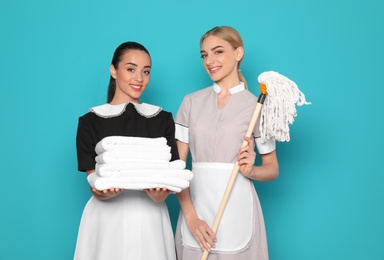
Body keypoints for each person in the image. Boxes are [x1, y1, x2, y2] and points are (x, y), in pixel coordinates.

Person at [174, 26, 279, 259]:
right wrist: (192, 219)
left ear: (238, 53)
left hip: (237, 210)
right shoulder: (190, 103)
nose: (209, 61)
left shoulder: (257, 107)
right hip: (196, 208)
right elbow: (177, 168)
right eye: (204, 55)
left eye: (218, 51)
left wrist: (251, 170)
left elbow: (272, 168)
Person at [74, 41, 179, 260]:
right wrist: (100, 192)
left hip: (151, 216)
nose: (139, 78)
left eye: (146, 71)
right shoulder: (90, 121)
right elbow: (93, 178)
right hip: (105, 219)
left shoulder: (163, 119)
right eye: (131, 69)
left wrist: (161, 195)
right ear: (114, 70)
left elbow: (170, 175)